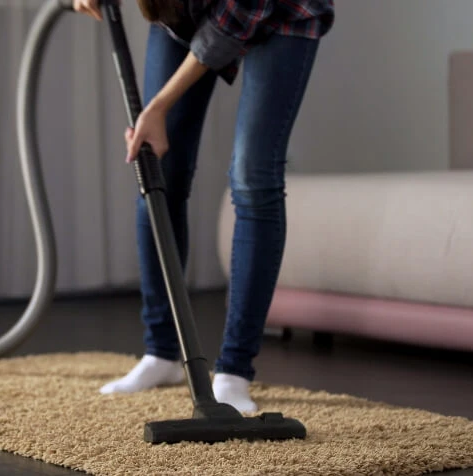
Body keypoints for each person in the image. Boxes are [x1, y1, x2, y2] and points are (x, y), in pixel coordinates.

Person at [74, 0, 334, 413]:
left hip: (282, 12)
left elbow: (232, 23)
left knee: (253, 177)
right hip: (182, 10)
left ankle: (234, 371)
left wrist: (158, 106)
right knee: (159, 169)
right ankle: (161, 353)